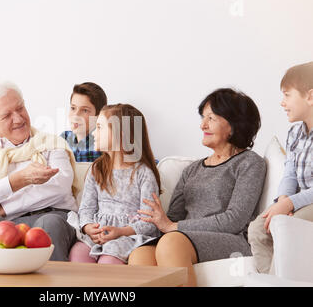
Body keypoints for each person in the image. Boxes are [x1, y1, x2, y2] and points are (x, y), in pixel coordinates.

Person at [128, 88, 267, 287]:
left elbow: (234, 220)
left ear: (234, 124)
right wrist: (160, 220)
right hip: (184, 237)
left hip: (230, 238)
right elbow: (172, 219)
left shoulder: (249, 163)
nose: (203, 125)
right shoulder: (191, 170)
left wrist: (174, 227)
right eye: (203, 117)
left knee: (171, 243)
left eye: (211, 118)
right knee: (140, 255)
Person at [0, 81, 78, 261]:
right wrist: (15, 181)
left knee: (48, 223)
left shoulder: (52, 144)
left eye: (20, 108)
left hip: (53, 215)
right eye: (6, 115)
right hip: (8, 224)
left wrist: (4, 208)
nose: (19, 119)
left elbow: (59, 187)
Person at [68, 104, 161, 264]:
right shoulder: (96, 169)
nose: (94, 133)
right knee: (78, 254)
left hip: (126, 236)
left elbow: (150, 222)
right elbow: (86, 208)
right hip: (97, 234)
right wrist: (88, 227)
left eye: (99, 127)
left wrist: (121, 232)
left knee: (109, 261)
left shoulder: (143, 174)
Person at [248, 61, 313, 274]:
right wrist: (284, 199)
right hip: (298, 201)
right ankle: (270, 279)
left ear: (310, 97)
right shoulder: (295, 133)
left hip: (309, 202)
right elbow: (290, 173)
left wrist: (288, 206)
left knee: (286, 228)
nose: (282, 103)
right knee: (258, 228)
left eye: (287, 95)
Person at [60, 82, 107, 162]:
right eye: (73, 108)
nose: (76, 115)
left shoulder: (102, 145)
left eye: (85, 110)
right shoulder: (64, 138)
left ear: (98, 116)